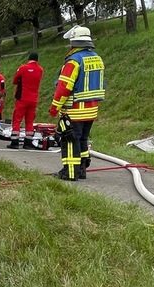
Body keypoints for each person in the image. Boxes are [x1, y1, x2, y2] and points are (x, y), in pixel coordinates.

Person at [49, 25, 105, 181]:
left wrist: (54, 108)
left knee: (70, 140)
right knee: (82, 139)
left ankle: (69, 173)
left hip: (74, 109)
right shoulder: (97, 58)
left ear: (74, 43)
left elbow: (64, 87)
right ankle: (81, 170)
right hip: (91, 109)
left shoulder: (73, 61)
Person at [8, 51, 44, 150]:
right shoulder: (40, 70)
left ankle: (15, 142)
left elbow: (14, 81)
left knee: (17, 120)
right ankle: (28, 142)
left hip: (23, 97)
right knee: (29, 121)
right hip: (34, 99)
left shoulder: (23, 68)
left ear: (29, 59)